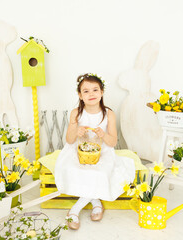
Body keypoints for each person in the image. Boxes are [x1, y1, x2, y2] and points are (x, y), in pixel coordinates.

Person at [54, 73, 135, 230]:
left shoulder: (108, 114)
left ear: (102, 92)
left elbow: (112, 142)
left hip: (102, 151)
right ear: (80, 95)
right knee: (73, 168)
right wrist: (76, 130)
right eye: (86, 91)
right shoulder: (76, 113)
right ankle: (96, 202)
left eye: (95, 90)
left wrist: (103, 134)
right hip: (78, 150)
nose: (91, 94)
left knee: (101, 172)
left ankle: (75, 210)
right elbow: (69, 140)